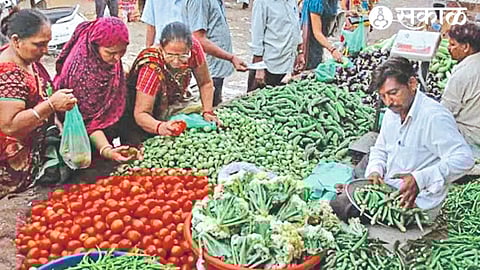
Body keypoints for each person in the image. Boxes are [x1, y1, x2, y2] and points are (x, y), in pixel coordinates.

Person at [365, 57, 474, 210]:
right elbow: (381, 148)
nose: (388, 101)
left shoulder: (434, 117)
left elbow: (464, 159)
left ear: (412, 84)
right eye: (383, 96)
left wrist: (420, 178)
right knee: (351, 187)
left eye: (393, 93)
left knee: (345, 207)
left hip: (415, 199)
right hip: (389, 188)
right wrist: (375, 170)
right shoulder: (393, 112)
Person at [0, 9, 76, 199]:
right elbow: (9, 125)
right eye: (39, 44)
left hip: (28, 160)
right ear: (16, 41)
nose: (45, 50)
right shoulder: (9, 73)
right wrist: (50, 105)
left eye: (47, 43)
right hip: (9, 167)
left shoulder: (27, 61)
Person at [54, 17, 140, 179]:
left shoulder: (100, 53)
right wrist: (106, 149)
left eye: (122, 52)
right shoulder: (82, 76)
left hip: (98, 123)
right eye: (111, 53)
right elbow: (88, 121)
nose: (117, 59)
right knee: (89, 170)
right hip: (82, 130)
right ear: (95, 46)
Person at [126, 22, 221, 144]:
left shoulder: (194, 49)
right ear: (161, 48)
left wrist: (207, 111)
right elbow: (141, 114)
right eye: (170, 55)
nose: (176, 61)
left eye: (182, 56)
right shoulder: (151, 67)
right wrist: (160, 127)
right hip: (140, 117)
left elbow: (205, 83)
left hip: (171, 103)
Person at [185, 0, 248, 106]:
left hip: (217, 66)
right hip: (208, 69)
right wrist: (231, 58)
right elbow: (198, 39)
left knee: (215, 103)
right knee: (208, 106)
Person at [441, 23, 480, 157]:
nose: (448, 48)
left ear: (465, 47)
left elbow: (445, 111)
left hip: (471, 136)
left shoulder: (463, 72)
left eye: (452, 44)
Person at [248, 0, 304, 92]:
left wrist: (300, 52)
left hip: (287, 63)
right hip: (269, 65)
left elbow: (295, 27)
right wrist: (259, 67)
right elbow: (257, 35)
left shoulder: (291, 1)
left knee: (282, 101)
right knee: (260, 101)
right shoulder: (262, 2)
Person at [301, 0, 343, 69]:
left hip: (322, 40)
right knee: (311, 67)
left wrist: (347, 13)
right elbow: (317, 32)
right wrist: (332, 50)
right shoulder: (316, 2)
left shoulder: (333, 2)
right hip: (311, 43)